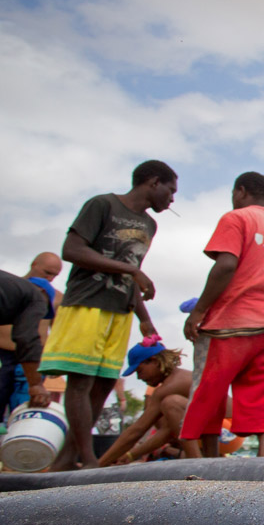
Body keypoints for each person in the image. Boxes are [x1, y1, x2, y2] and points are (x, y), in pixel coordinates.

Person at [39, 160, 176, 468]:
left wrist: (144, 317)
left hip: (120, 311)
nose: (172, 199)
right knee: (81, 382)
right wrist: (130, 270)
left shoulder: (150, 225)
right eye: (171, 190)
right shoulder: (102, 205)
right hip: (88, 304)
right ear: (154, 182)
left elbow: (133, 271)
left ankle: (65, 460)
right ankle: (88, 459)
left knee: (102, 385)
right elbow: (72, 250)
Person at [180, 172, 264, 458]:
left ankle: (208, 459)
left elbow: (226, 266)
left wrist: (199, 311)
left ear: (240, 191)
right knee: (263, 390)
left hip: (234, 322)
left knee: (210, 389)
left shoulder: (236, 218)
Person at [97, 340, 194, 466]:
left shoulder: (169, 388)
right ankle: (197, 459)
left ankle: (195, 460)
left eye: (139, 371)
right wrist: (130, 455)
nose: (139, 378)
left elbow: (137, 430)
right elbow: (166, 431)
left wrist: (98, 464)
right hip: (220, 434)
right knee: (168, 407)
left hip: (223, 433)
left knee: (170, 403)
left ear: (154, 361)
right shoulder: (179, 376)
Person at [0, 269, 58, 417]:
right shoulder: (36, 297)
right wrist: (36, 385)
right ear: (43, 293)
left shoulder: (9, 291)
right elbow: (26, 338)